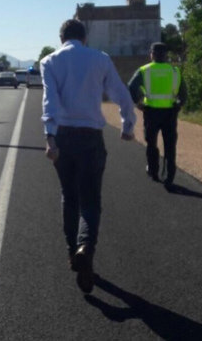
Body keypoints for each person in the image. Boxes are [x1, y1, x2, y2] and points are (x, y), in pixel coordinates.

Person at [41, 19, 136, 294]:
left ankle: (73, 251)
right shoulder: (100, 59)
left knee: (69, 197)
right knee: (91, 200)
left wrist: (50, 137)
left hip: (63, 136)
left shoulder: (50, 61)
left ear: (61, 38)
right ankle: (86, 247)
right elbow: (122, 94)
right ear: (84, 37)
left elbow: (50, 101)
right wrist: (127, 125)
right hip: (90, 137)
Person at [127, 42, 187, 187]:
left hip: (151, 112)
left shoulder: (144, 70)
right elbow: (183, 93)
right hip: (170, 113)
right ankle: (169, 175)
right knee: (170, 144)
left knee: (151, 143)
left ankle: (153, 171)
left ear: (151, 54)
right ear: (166, 55)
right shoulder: (175, 71)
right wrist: (178, 106)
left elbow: (131, 87)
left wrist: (138, 103)